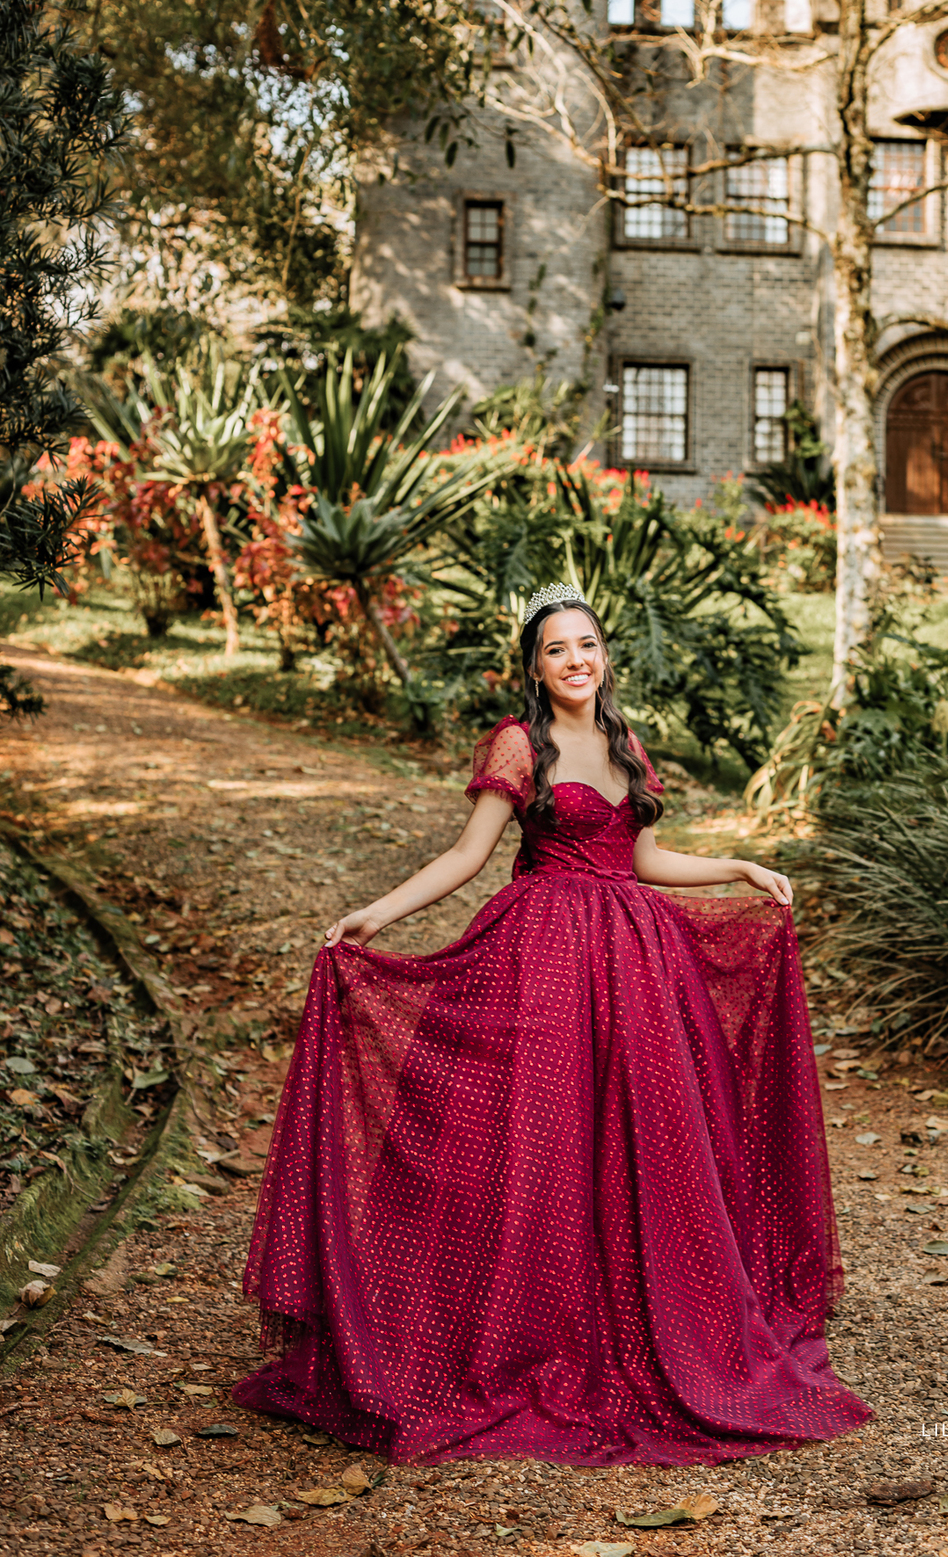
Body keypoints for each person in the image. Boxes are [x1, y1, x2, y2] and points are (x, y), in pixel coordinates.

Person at [232, 583, 870, 1465]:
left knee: (642, 1141)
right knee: (532, 1140)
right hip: (544, 957)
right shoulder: (518, 742)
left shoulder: (623, 741)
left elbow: (640, 857)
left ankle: (645, 1319)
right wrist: (374, 916)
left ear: (604, 653)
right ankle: (508, 1325)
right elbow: (468, 854)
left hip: (639, 965)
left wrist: (739, 865)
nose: (577, 661)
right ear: (535, 665)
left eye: (589, 645)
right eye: (558, 649)